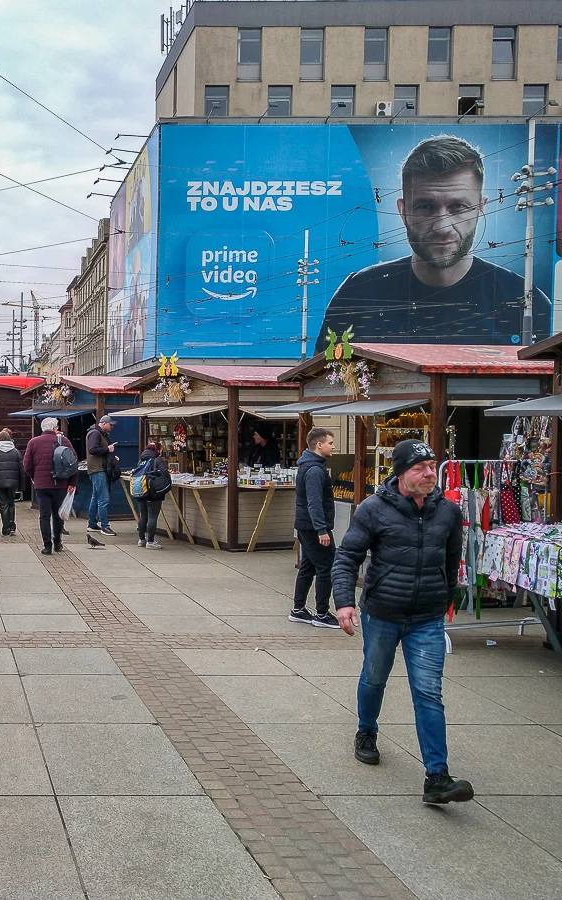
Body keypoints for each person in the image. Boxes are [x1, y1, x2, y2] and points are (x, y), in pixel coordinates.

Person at [332, 439, 473, 805]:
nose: (429, 473)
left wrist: (443, 599)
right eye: (419, 468)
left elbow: (451, 561)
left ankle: (437, 777)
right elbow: (347, 557)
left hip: (427, 618)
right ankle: (366, 731)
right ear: (400, 473)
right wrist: (344, 602)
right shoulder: (373, 509)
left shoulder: (448, 512)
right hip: (382, 612)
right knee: (374, 677)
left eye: (432, 466)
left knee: (428, 692)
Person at [319, 135, 551, 348]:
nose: (442, 227)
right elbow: (322, 377)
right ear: (403, 211)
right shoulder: (358, 294)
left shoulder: (526, 302)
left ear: (480, 208)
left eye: (458, 207)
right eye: (425, 206)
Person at [290, 427, 339, 628]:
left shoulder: (309, 465)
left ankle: (298, 609)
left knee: (308, 566)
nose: (333, 447)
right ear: (319, 445)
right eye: (330, 443)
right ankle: (322, 613)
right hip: (313, 528)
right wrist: (322, 530)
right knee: (326, 567)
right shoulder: (315, 470)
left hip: (306, 525)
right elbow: (314, 502)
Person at [22, 417, 79, 555]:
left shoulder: (33, 442)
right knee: (58, 515)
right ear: (54, 428)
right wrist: (72, 483)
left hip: (41, 486)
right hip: (60, 484)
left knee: (44, 515)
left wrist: (34, 477)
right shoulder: (64, 441)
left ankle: (47, 546)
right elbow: (73, 463)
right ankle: (57, 542)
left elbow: (27, 465)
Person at [85, 414, 117, 536]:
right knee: (103, 499)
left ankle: (92, 524)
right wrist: (108, 449)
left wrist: (111, 457)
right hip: (98, 470)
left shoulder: (99, 433)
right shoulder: (95, 433)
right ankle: (105, 526)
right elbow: (92, 450)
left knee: (96, 497)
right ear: (103, 423)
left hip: (97, 469)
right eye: (110, 425)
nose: (112, 427)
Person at [134, 441, 169, 548]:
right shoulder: (157, 459)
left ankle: (141, 540)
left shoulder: (141, 460)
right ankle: (150, 542)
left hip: (141, 490)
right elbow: (165, 472)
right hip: (153, 491)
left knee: (143, 516)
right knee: (152, 516)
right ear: (158, 450)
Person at [0, 429, 22, 536]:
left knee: (3, 504)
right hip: (13, 482)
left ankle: (6, 527)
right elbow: (21, 469)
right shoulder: (16, 452)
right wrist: (22, 485)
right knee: (11, 503)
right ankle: (12, 526)